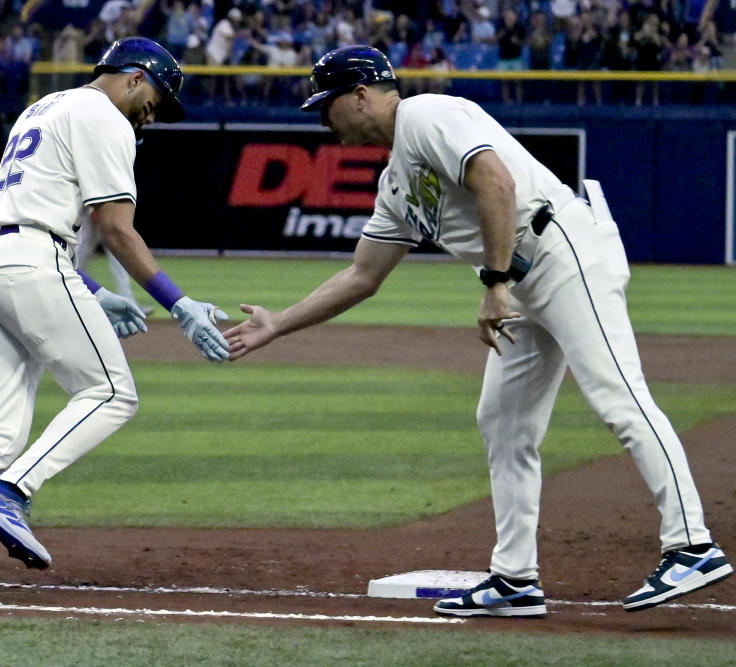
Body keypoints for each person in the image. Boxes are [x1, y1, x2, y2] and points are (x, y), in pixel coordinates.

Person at [224, 45, 732, 618]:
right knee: (502, 421)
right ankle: (515, 578)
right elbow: (363, 275)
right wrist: (279, 324)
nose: (323, 118)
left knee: (618, 395)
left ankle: (692, 544)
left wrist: (494, 284)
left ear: (361, 95)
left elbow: (496, 184)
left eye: (328, 104)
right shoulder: (396, 183)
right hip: (523, 281)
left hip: (563, 253)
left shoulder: (427, 116)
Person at [0, 37, 230, 603]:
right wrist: (178, 303)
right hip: (32, 262)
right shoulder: (105, 116)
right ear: (135, 77)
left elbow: (33, 212)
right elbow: (116, 228)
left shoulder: (42, 106)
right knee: (112, 392)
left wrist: (93, 290)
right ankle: (11, 493)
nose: (155, 112)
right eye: (158, 97)